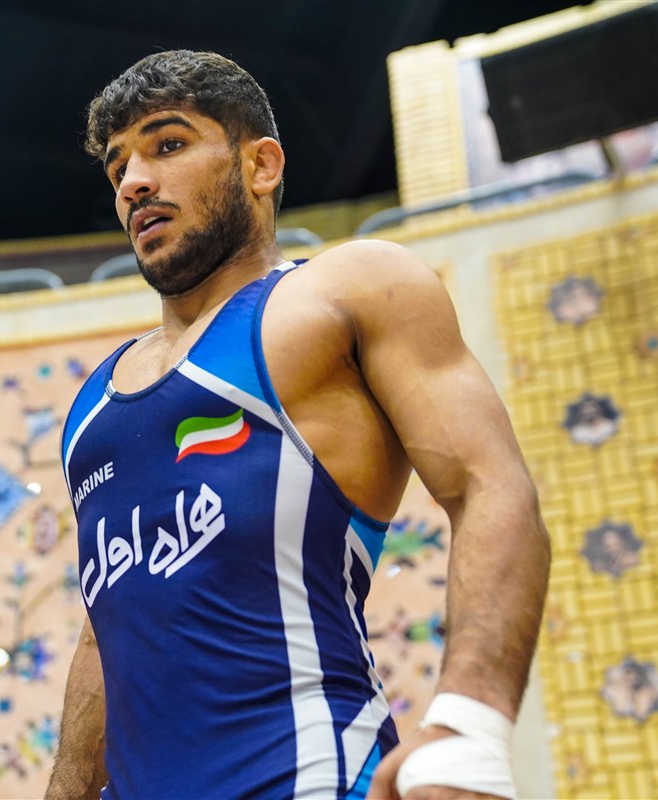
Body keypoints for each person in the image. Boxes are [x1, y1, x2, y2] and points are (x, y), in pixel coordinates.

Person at [48, 50, 551, 800]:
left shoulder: (349, 290)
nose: (134, 183)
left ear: (261, 165)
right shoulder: (92, 407)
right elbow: (107, 629)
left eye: (168, 144)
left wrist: (468, 726)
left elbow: (488, 486)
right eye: (118, 166)